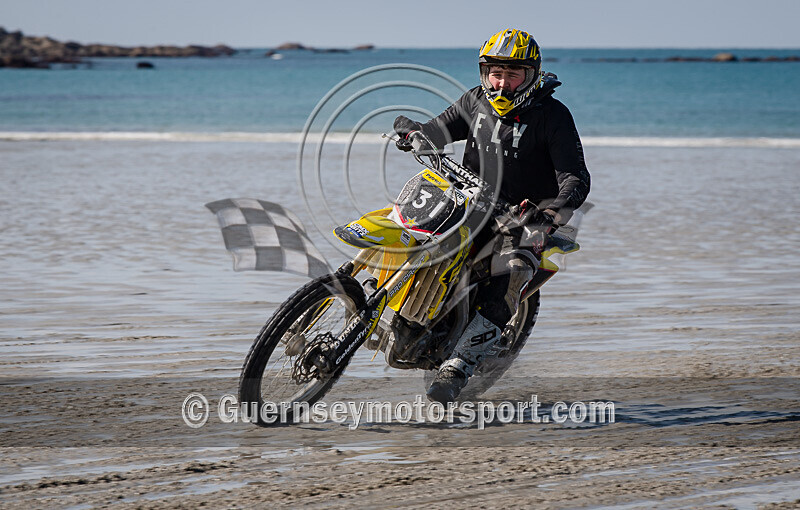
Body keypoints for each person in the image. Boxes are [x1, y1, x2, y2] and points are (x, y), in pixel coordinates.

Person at [392, 28, 591, 403]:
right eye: (494, 74)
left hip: (520, 218)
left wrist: (549, 213)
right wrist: (414, 132)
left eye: (513, 75)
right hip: (465, 202)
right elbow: (437, 130)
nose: (502, 84)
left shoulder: (554, 116)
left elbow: (575, 178)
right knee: (406, 227)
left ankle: (459, 366)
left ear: (531, 75)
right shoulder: (474, 100)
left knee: (514, 268)